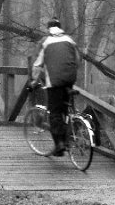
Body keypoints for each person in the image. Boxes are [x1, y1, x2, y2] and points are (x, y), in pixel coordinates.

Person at [31, 18, 80, 156]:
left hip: (54, 82)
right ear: (60, 27)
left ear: (48, 29)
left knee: (55, 112)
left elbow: (37, 64)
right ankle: (70, 135)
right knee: (64, 108)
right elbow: (77, 60)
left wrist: (33, 81)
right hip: (69, 79)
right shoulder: (69, 40)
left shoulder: (45, 42)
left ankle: (59, 144)